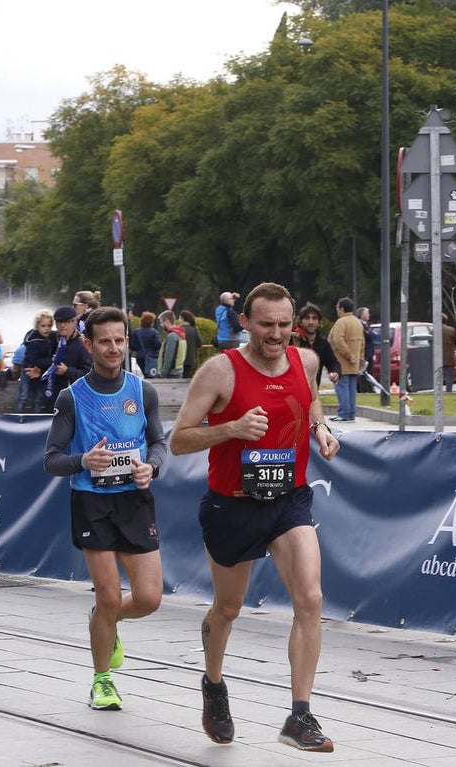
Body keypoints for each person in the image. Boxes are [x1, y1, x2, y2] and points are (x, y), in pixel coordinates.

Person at [168, 281, 340, 753]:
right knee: (228, 607)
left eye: (285, 325)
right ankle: (214, 684)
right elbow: (179, 439)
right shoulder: (219, 371)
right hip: (233, 504)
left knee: (310, 598)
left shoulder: (306, 360)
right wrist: (231, 429)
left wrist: (322, 428)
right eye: (267, 325)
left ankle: (299, 716)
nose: (278, 334)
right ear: (245, 323)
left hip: (289, 500)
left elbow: (310, 401)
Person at [43, 306, 167, 711]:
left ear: (126, 341)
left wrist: (153, 467)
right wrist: (84, 461)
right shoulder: (72, 396)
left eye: (119, 340)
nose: (113, 348)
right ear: (88, 344)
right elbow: (52, 459)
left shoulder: (142, 390)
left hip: (134, 501)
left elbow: (158, 443)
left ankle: (103, 619)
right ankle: (102, 679)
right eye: (104, 341)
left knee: (148, 598)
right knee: (111, 595)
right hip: (92, 503)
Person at [41, 306, 93, 408]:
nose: (62, 325)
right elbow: (33, 352)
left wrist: (67, 371)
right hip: (48, 398)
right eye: (59, 322)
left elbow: (89, 374)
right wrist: (41, 368)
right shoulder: (50, 339)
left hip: (72, 401)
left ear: (74, 322)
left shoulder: (81, 345)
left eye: (66, 322)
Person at [327, 297, 363, 422]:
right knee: (352, 389)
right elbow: (362, 343)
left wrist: (348, 355)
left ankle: (344, 414)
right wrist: (358, 358)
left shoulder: (341, 322)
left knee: (342, 387)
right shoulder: (357, 322)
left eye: (337, 308)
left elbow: (338, 340)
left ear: (342, 308)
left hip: (342, 362)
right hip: (355, 363)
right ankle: (351, 413)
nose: (337, 310)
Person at [17, 309, 57, 413]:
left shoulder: (53, 337)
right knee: (23, 396)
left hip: (42, 371)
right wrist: (51, 361)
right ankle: (17, 417)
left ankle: (36, 420)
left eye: (49, 325)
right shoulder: (33, 340)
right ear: (37, 326)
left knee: (38, 397)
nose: (46, 329)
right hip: (28, 368)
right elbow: (33, 359)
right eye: (43, 326)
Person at [292, 303, 339, 388]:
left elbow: (333, 363)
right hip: (292, 390)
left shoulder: (324, 344)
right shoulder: (293, 341)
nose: (311, 322)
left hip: (313, 392)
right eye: (307, 318)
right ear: (301, 322)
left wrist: (335, 372)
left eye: (314, 318)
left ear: (319, 322)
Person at [156, 310, 186, 379]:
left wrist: (162, 374)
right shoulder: (180, 334)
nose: (161, 325)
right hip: (178, 371)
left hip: (170, 374)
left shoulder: (172, 336)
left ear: (167, 321)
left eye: (161, 322)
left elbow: (168, 357)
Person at [131, 312, 161, 377]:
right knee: (151, 374)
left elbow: (132, 345)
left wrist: (139, 348)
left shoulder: (137, 332)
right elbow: (158, 345)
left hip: (140, 357)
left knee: (144, 373)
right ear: (151, 322)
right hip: (152, 356)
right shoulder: (154, 332)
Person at [355, 306, 375, 393]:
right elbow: (368, 336)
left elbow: (372, 335)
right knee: (363, 372)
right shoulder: (359, 325)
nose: (369, 315)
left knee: (370, 371)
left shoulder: (367, 325)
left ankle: (370, 389)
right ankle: (363, 390)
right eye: (367, 313)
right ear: (361, 315)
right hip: (364, 352)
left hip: (370, 352)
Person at [179, 310, 202, 379]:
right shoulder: (194, 329)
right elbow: (200, 343)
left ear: (183, 318)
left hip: (179, 359)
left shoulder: (178, 329)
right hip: (190, 359)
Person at [441, 313, 456, 392]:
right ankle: (449, 390)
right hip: (449, 355)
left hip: (437, 356)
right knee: (449, 375)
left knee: (438, 375)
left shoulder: (433, 330)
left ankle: (438, 390)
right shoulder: (451, 330)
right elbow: (455, 341)